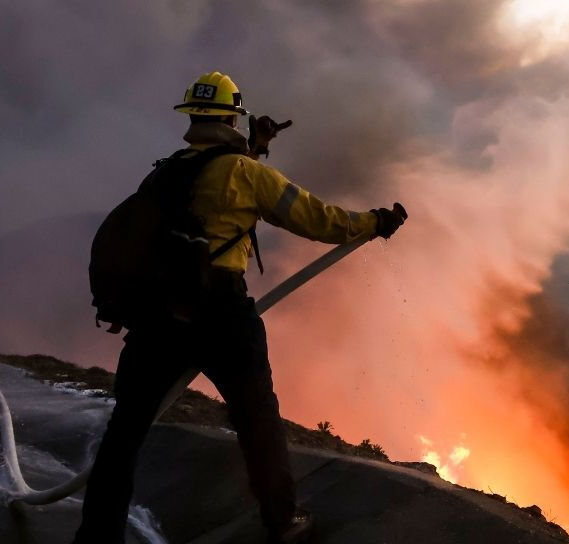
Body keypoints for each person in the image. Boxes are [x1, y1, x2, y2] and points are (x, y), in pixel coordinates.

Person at [74, 72, 405, 544]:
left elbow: (212, 189)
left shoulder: (166, 172)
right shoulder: (247, 175)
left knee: (125, 430)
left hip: (158, 318)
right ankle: (281, 521)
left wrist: (255, 148)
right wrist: (375, 221)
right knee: (257, 420)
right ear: (233, 117)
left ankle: (95, 537)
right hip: (220, 313)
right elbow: (317, 218)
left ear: (192, 117)